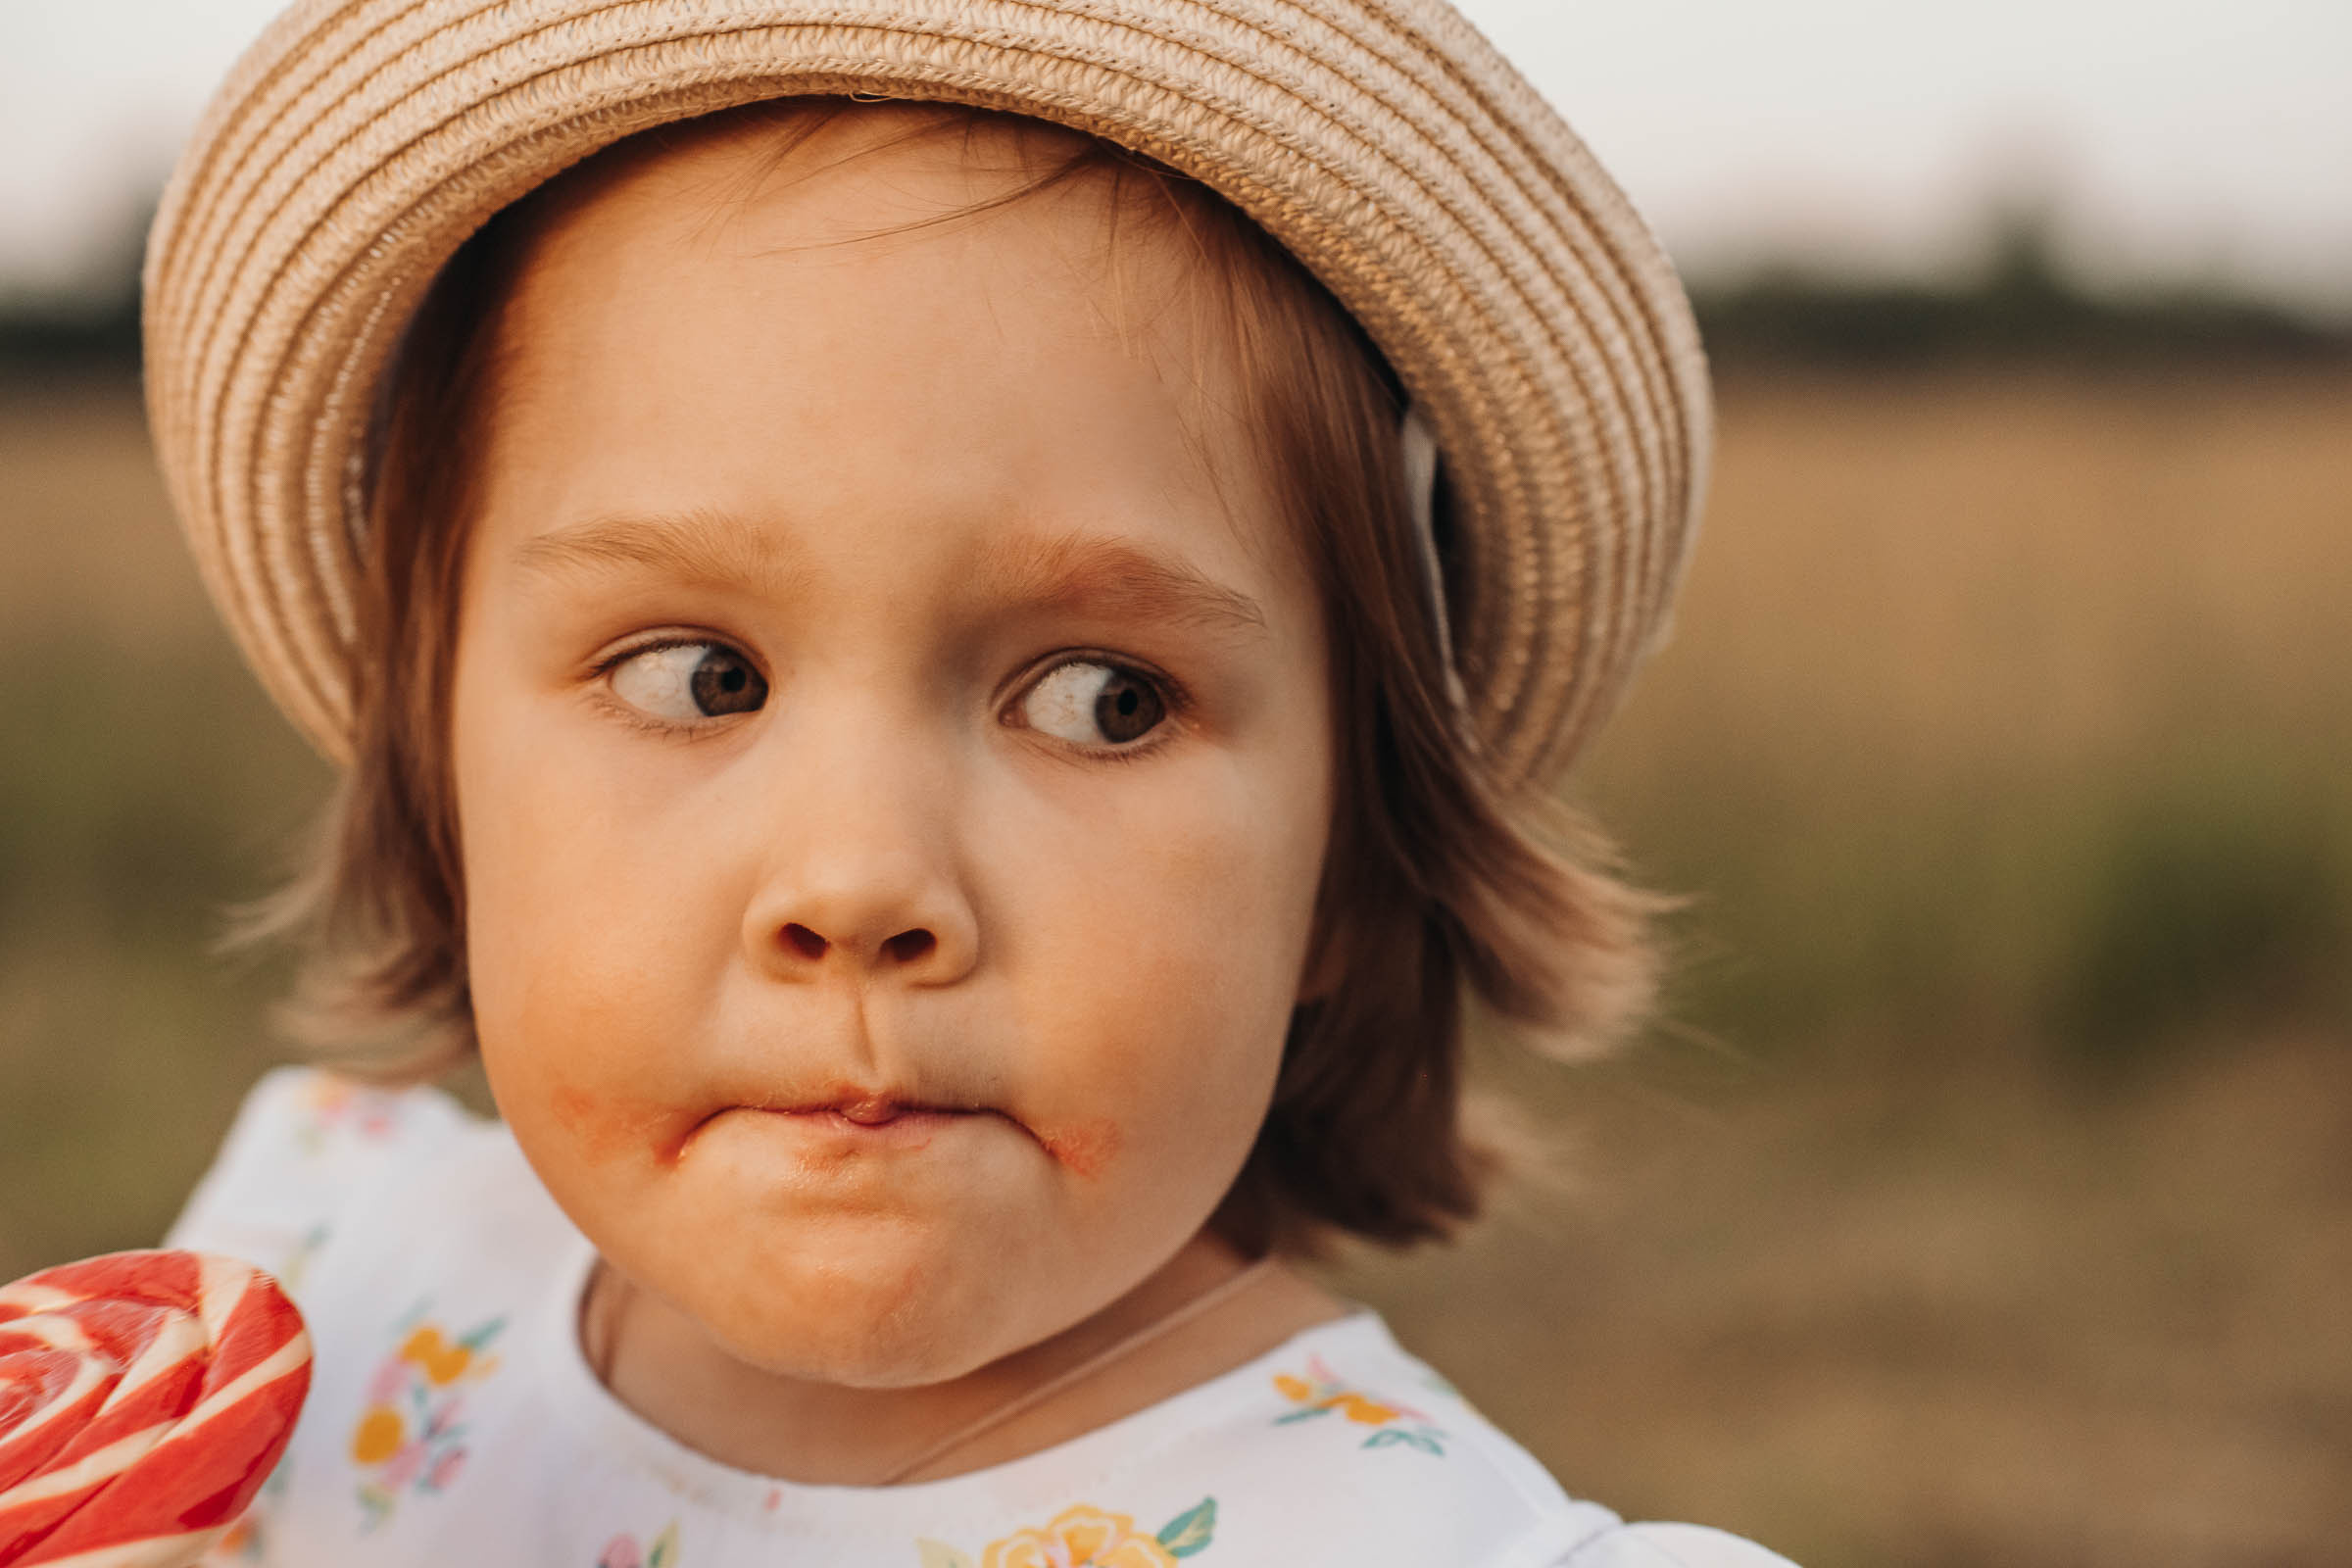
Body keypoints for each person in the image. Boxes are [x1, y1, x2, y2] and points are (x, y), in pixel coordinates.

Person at [147, 0, 1779, 1561]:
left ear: (1350, 868)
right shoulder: (311, 1307)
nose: (859, 882)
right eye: (697, 678)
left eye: (1102, 700)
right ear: (443, 785)